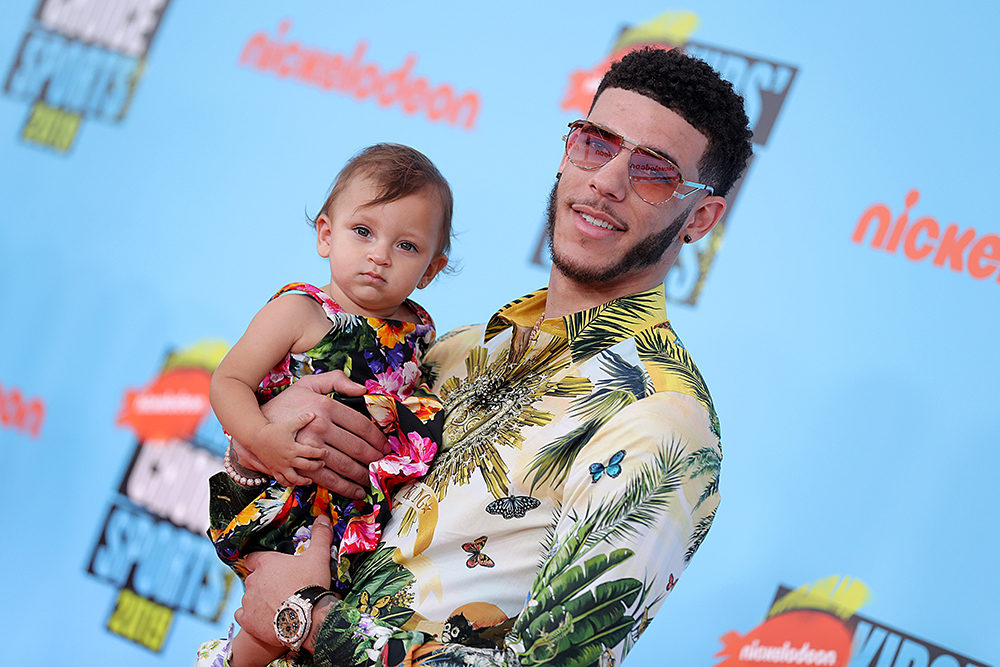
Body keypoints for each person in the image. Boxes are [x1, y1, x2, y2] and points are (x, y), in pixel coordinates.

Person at [198, 46, 753, 667]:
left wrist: (306, 616)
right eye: (597, 143)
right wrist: (265, 439)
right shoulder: (451, 348)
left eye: (653, 171)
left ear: (699, 217)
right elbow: (296, 509)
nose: (607, 180)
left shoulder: (661, 421)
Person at [205, 143, 453, 667]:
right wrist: (258, 437)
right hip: (288, 492)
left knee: (338, 611)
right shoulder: (299, 312)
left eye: (405, 246)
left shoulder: (421, 331)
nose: (378, 255)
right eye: (362, 232)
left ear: (431, 270)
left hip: (360, 508)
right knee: (277, 603)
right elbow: (228, 380)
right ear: (325, 233)